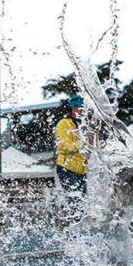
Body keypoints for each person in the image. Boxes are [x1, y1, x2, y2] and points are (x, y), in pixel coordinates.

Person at [54, 95, 88, 225]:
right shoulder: (63, 124)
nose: (82, 110)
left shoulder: (83, 124)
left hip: (81, 170)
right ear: (73, 108)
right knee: (75, 200)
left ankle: (72, 226)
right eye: (79, 107)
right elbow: (64, 146)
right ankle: (68, 226)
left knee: (82, 203)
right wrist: (83, 143)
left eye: (83, 108)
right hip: (66, 168)